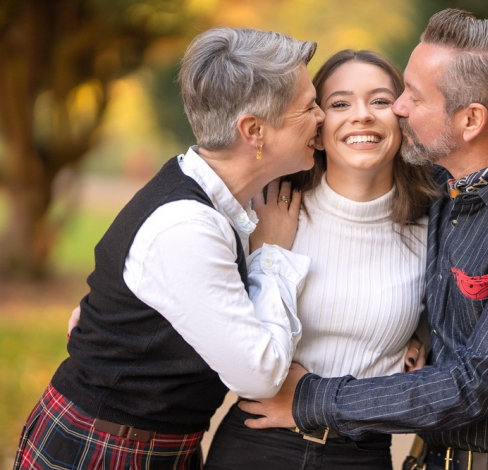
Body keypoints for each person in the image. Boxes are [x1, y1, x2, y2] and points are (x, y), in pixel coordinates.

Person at [239, 9, 488, 470]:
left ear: (470, 121)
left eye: (412, 98)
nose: (397, 109)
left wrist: (309, 396)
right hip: (433, 457)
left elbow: (473, 383)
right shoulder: (450, 186)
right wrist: (423, 336)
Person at [13, 26, 324, 469]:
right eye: (308, 106)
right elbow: (259, 374)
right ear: (254, 130)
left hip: (154, 444)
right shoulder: (187, 225)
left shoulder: (211, 198)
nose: (322, 118)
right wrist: (271, 255)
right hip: (104, 450)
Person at [204, 49, 437, 470]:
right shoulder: (269, 212)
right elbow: (189, 285)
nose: (362, 115)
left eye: (381, 100)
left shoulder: (431, 232)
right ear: (317, 123)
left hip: (361, 455)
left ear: (403, 115)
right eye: (340, 103)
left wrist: (422, 336)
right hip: (258, 447)